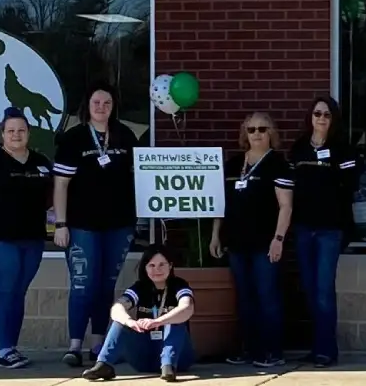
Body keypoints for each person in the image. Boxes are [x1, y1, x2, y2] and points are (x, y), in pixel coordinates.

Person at [52, 85, 140, 368]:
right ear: (87, 105)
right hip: (82, 225)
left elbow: (138, 177)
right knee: (83, 285)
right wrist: (61, 224)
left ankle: (98, 343)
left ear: (114, 106)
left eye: (107, 102)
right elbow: (61, 185)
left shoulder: (125, 135)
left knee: (106, 286)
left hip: (119, 224)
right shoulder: (74, 138)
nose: (102, 107)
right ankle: (74, 345)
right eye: (96, 102)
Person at [0, 108, 53, 369]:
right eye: (11, 131)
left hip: (33, 239)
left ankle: (12, 347)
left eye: (21, 130)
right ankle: (4, 350)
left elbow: (53, 198)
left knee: (18, 292)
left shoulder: (40, 162)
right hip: (0, 239)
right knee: (6, 291)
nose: (16, 135)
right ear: (2, 134)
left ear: (29, 133)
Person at [209, 111, 293, 368]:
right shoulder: (234, 164)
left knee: (267, 296)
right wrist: (215, 235)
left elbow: (286, 206)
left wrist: (278, 238)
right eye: (251, 129)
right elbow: (221, 204)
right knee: (244, 298)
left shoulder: (278, 164)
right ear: (245, 133)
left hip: (264, 243)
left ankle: (272, 351)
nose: (256, 134)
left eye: (262, 129)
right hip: (237, 242)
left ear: (271, 133)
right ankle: (248, 349)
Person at [287, 95, 357, 367]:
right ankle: (317, 346)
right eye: (317, 113)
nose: (321, 119)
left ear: (333, 119)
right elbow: (289, 186)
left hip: (330, 228)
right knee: (308, 288)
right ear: (310, 117)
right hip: (303, 228)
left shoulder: (343, 149)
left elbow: (350, 184)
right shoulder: (299, 148)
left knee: (324, 290)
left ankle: (327, 350)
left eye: (327, 114)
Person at [80, 248, 196, 382]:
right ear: (145, 267)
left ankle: (168, 365)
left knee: (174, 320)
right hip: (144, 358)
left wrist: (158, 321)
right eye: (151, 265)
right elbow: (117, 308)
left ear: (170, 266)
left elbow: (187, 308)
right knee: (120, 322)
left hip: (178, 359)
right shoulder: (140, 287)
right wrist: (129, 321)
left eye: (161, 265)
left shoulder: (179, 285)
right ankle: (104, 364)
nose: (157, 269)